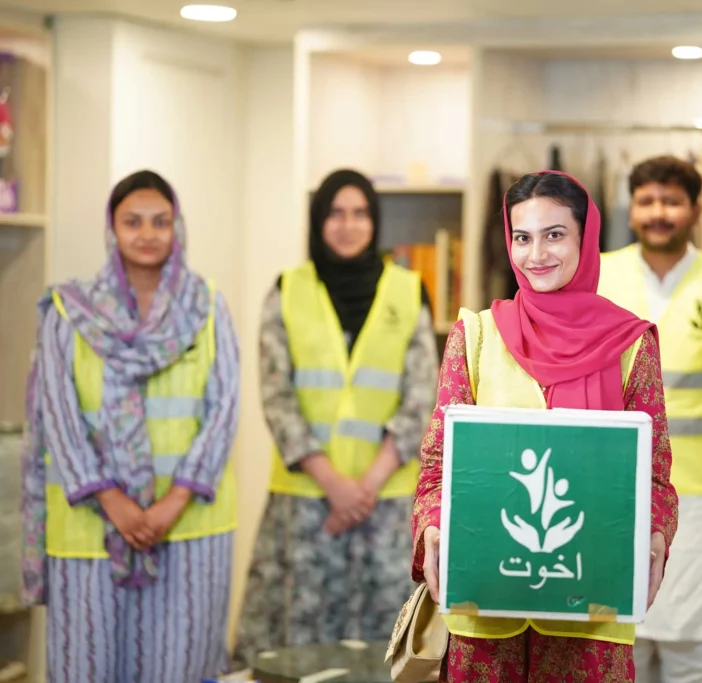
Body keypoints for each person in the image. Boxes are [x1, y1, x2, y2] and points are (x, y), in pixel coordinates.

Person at [412, 170, 679, 682]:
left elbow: (654, 475)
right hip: (485, 613)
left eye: (554, 235)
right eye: (522, 237)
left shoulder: (630, 344)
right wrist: (432, 525)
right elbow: (439, 464)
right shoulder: (476, 336)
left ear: (585, 237)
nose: (535, 255)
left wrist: (655, 533)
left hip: (590, 612)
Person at [20, 170, 241, 682]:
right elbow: (58, 417)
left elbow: (224, 410)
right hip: (90, 528)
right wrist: (113, 501)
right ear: (112, 229)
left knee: (180, 668)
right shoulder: (68, 311)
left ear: (177, 227)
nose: (147, 234)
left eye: (160, 222)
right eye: (133, 222)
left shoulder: (207, 307)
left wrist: (172, 503)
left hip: (188, 527)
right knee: (86, 668)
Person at [234, 169, 438, 664]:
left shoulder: (409, 290)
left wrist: (364, 486)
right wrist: (334, 485)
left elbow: (421, 396)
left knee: (383, 646)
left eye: (360, 213)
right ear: (318, 220)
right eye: (336, 213)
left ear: (376, 221)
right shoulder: (287, 290)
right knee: (300, 645)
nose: (348, 225)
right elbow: (277, 397)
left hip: (385, 504)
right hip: (307, 505)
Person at [598, 156, 702, 683]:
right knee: (619, 644)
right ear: (631, 209)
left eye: (672, 201)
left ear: (696, 211)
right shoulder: (599, 276)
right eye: (646, 201)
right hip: (614, 492)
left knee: (698, 652)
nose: (658, 213)